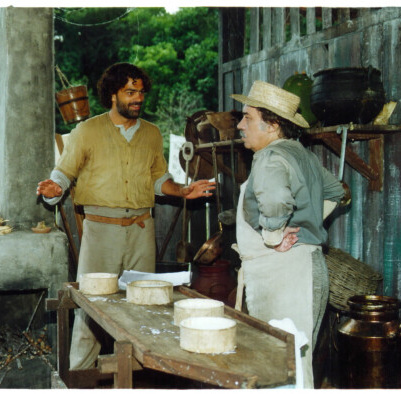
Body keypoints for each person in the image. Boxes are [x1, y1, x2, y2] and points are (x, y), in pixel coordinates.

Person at [37, 62, 215, 370]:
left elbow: (159, 178)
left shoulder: (151, 133)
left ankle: (138, 378)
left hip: (141, 230)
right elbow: (63, 173)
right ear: (112, 95)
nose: (138, 98)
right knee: (91, 308)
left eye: (141, 92)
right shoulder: (87, 131)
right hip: (101, 230)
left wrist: (183, 191)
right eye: (130, 92)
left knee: (143, 307)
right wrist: (54, 188)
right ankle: (78, 378)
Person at [231, 81, 346, 388]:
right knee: (298, 359)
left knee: (283, 366)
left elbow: (276, 200)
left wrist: (274, 236)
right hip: (307, 267)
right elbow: (338, 191)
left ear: (272, 125)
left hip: (283, 275)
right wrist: (303, 222)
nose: (240, 125)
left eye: (248, 118)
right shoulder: (301, 154)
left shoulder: (269, 157)